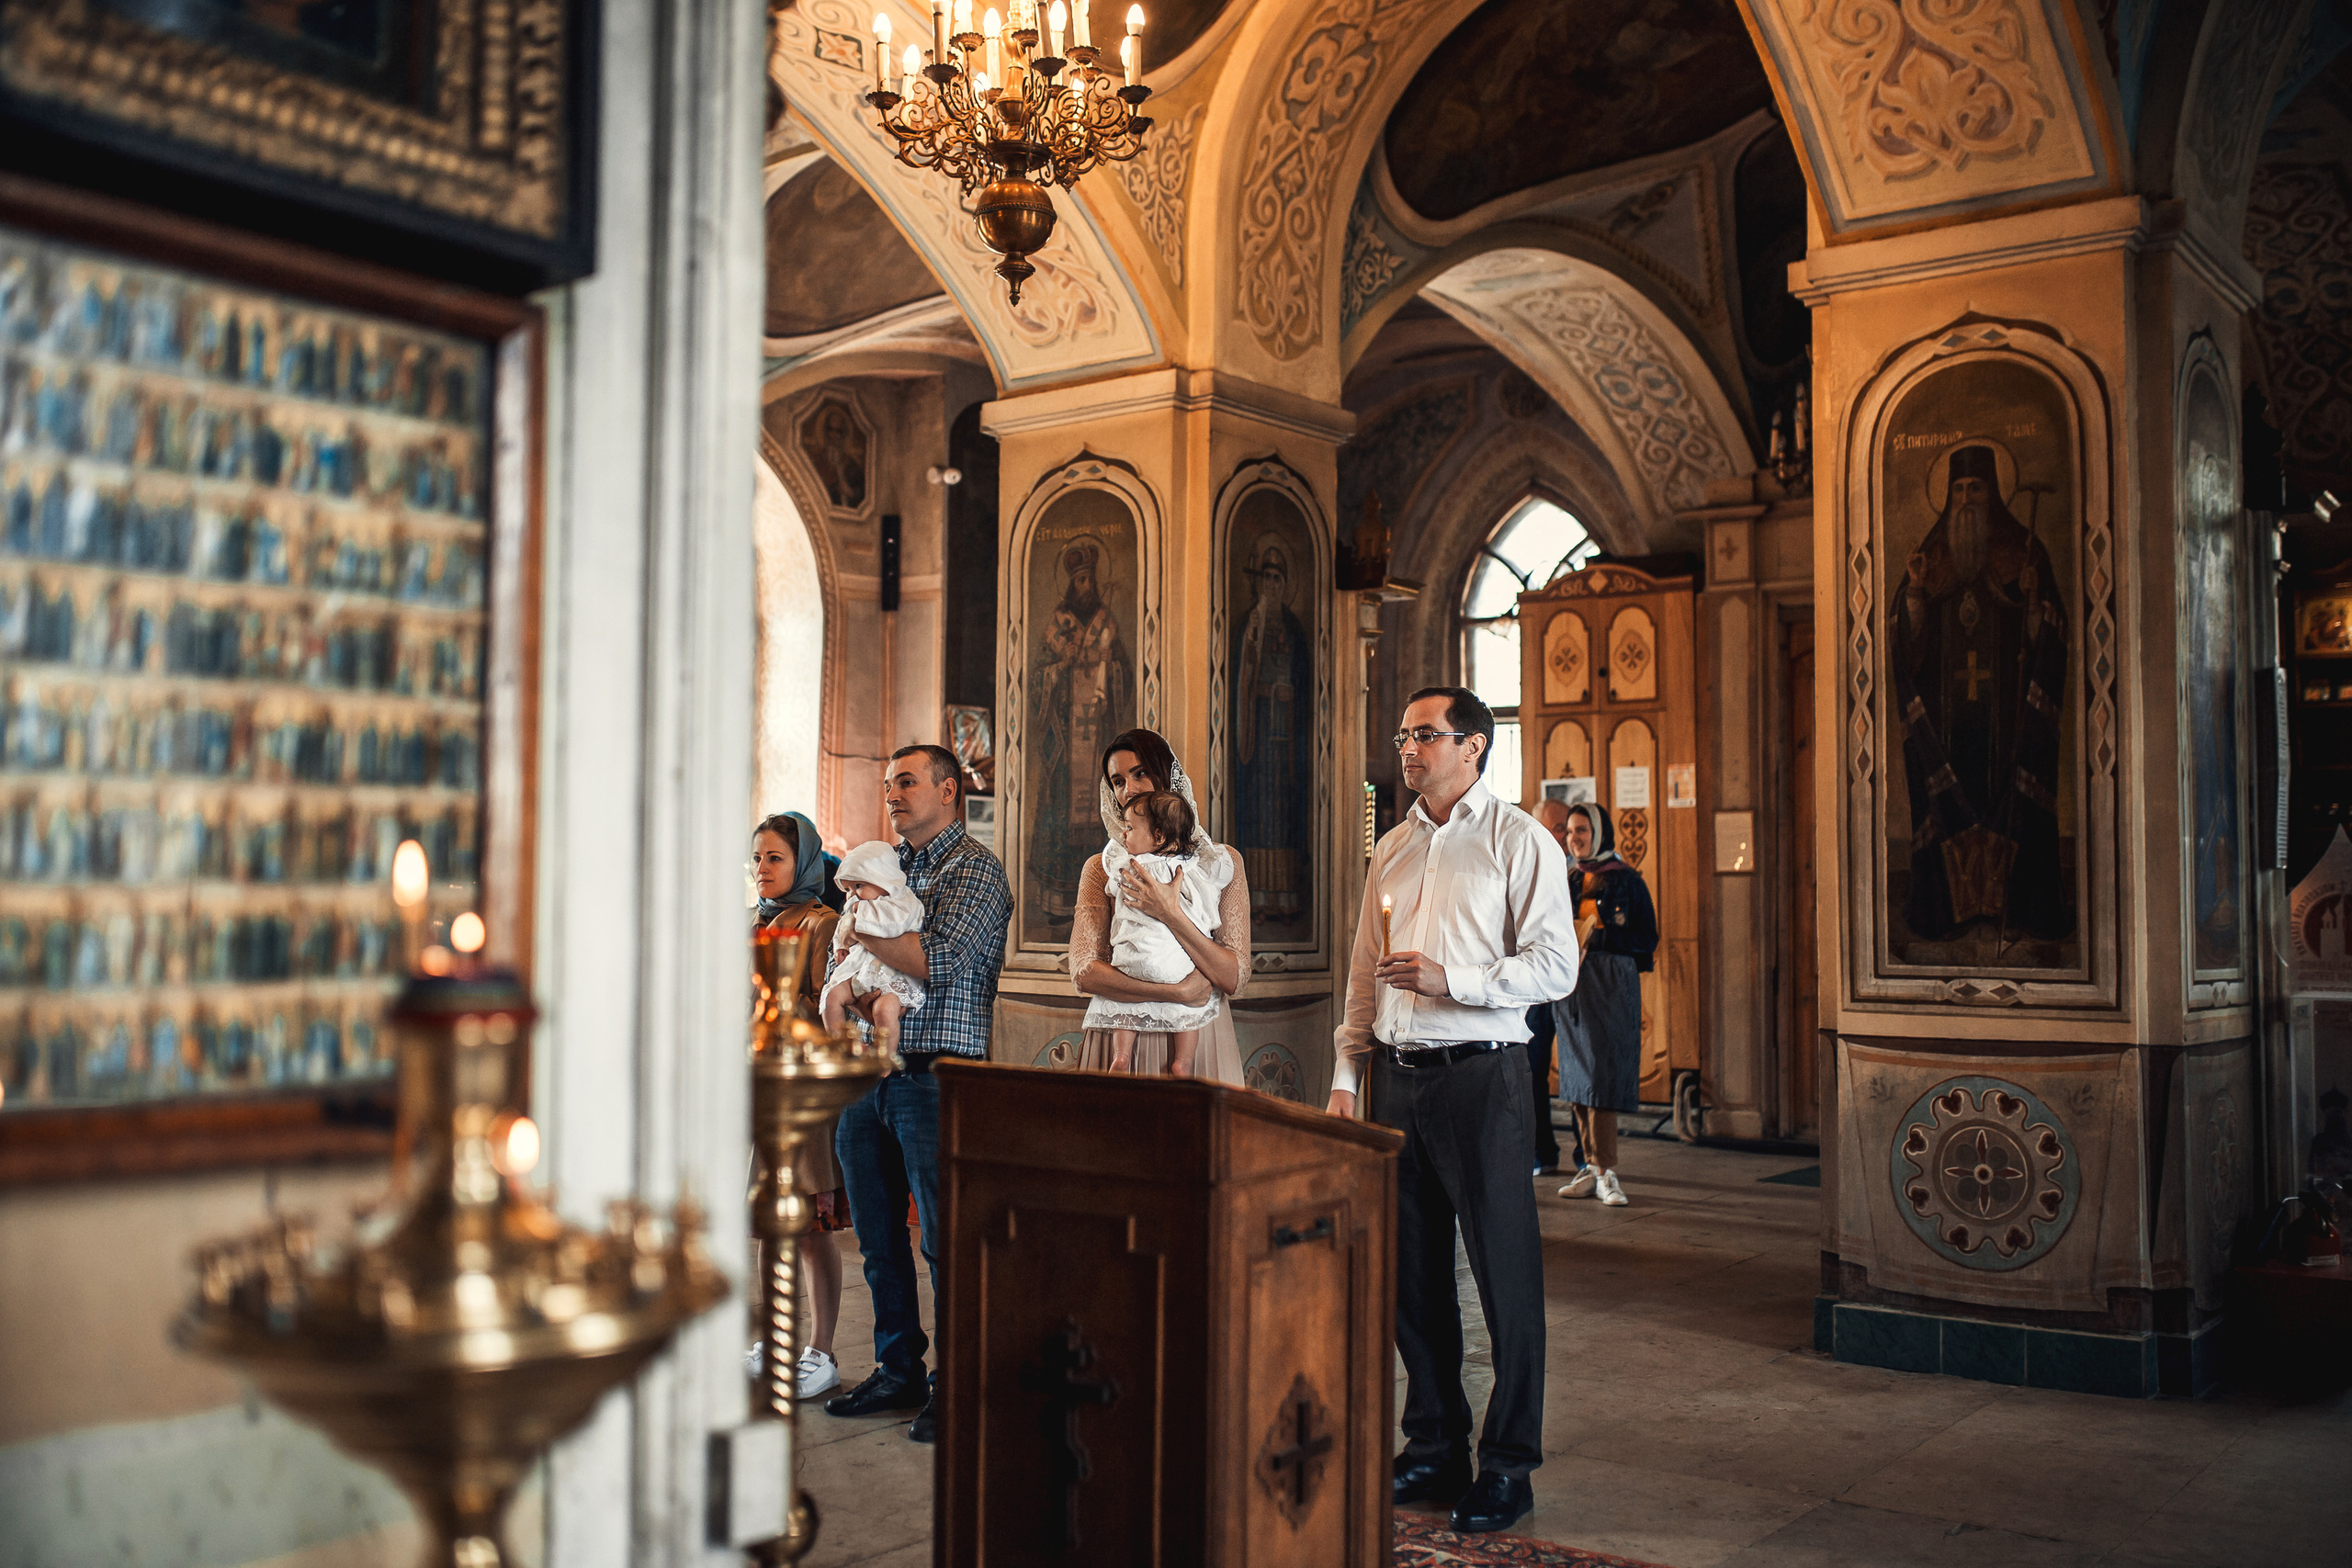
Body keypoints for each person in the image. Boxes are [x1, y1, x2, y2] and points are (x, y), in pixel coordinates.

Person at [1329, 686, 1578, 1536]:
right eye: (1404, 735)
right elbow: (1363, 970)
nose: (1409, 747)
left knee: (1505, 1277)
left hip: (1483, 1077)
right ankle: (1435, 1443)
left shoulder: (1519, 839)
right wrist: (1345, 1073)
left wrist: (1453, 981)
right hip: (1398, 1080)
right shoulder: (1393, 846)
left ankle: (1509, 1464)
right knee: (1413, 1277)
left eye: (1426, 734)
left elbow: (1556, 965)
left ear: (1474, 745)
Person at [824, 744, 1012, 1445]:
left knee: (944, 1241)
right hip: (868, 1074)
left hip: (937, 1076)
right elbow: (845, 958)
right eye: (887, 784)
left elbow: (937, 960)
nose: (893, 794)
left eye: (906, 781)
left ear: (949, 789)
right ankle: (897, 1366)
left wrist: (863, 929)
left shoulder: (976, 869)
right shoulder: (885, 867)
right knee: (877, 1239)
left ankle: (958, 1385)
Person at [1069, 728, 1251, 1079]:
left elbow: (1233, 978)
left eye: (1140, 773)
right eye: (1118, 781)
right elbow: (1083, 973)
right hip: (1120, 1036)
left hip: (1196, 1036)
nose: (1130, 789)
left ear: (1166, 774)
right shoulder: (1102, 867)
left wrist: (1169, 913)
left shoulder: (1219, 863)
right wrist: (1177, 991)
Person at [749, 812, 851, 1399]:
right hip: (758, 1089)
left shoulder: (821, 923)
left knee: (811, 1227)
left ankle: (822, 1349)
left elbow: (824, 1004)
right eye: (758, 858)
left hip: (802, 1092)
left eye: (776, 858)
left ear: (803, 862)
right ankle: (774, 1337)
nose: (763, 869)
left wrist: (767, 1014)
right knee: (770, 1223)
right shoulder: (753, 921)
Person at [1553, 802, 1656, 1208]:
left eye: (1582, 831)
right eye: (1570, 832)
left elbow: (1647, 938)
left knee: (1601, 1075)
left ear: (1599, 833)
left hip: (1610, 986)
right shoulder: (1570, 878)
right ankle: (1590, 1166)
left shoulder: (1627, 880)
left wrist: (1598, 938)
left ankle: (1605, 1169)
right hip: (1573, 987)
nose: (1574, 839)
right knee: (1577, 1077)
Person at [1092, 788, 1231, 1076]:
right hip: (1173, 964)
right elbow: (1204, 903)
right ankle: (1183, 1062)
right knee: (1189, 1010)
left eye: (1130, 829)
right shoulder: (1186, 868)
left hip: (1131, 961)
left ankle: (1121, 1056)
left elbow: (1112, 888)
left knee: (1123, 1005)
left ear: (1157, 837)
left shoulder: (1129, 865)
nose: (1124, 834)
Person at [818, 841, 928, 1055]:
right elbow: (842, 928)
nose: (852, 895)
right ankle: (841, 1048)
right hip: (860, 972)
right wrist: (841, 946)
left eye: (859, 885)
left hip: (894, 977)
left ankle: (885, 1058)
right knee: (831, 996)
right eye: (848, 889)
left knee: (883, 1010)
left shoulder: (904, 902)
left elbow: (895, 924)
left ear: (884, 879)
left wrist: (858, 918)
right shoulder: (855, 905)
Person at [1522, 798, 1573, 1175]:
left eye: (1562, 829)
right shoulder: (1528, 864)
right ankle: (1543, 1151)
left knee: (1580, 1072)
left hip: (1577, 987)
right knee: (1533, 1067)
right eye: (1549, 828)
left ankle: (1590, 1160)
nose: (1558, 836)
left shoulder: (1583, 870)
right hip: (1537, 985)